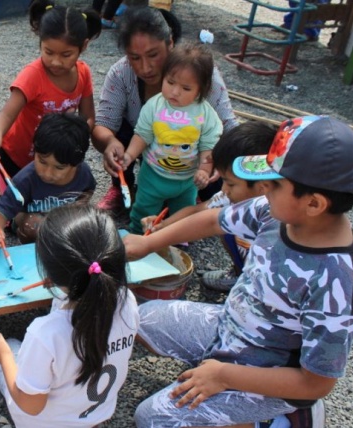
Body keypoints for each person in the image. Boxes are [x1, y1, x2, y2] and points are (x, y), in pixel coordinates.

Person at [124, 116, 353, 428]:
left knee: (152, 418)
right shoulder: (279, 212)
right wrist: (149, 244)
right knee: (137, 317)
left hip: (267, 374)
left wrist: (222, 375)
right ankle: (214, 378)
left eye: (274, 183)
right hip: (231, 326)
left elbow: (316, 383)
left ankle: (275, 419)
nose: (263, 189)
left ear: (313, 203)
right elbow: (214, 220)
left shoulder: (336, 280)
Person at [0, 204, 139, 427]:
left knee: (10, 345)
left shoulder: (44, 334)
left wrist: (3, 356)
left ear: (48, 274)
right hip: (97, 413)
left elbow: (30, 405)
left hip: (46, 423)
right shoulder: (127, 300)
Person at [93, 6, 238, 215]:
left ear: (170, 43)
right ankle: (122, 186)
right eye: (135, 57)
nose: (145, 67)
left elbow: (229, 127)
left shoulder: (202, 73)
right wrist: (110, 142)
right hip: (146, 151)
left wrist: (214, 161)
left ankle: (187, 195)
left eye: (153, 55)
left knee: (217, 196)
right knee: (123, 134)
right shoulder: (121, 73)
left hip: (192, 156)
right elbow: (103, 125)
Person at [140, 120, 277, 291]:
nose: (224, 189)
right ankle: (238, 273)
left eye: (231, 184)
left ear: (262, 186)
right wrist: (163, 225)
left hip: (267, 281)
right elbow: (196, 211)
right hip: (248, 257)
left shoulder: (277, 217)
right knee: (225, 226)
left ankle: (248, 284)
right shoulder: (231, 198)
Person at [0, 0, 101, 181]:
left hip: (55, 159)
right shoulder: (33, 75)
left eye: (66, 55)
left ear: (83, 46)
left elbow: (88, 117)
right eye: (49, 52)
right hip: (16, 156)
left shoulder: (83, 73)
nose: (56, 62)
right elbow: (6, 114)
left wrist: (76, 135)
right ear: (40, 43)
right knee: (15, 201)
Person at [120, 42, 222, 234]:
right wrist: (129, 155)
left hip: (187, 179)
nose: (175, 92)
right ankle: (138, 234)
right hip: (153, 173)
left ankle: (174, 240)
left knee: (183, 212)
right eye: (170, 82)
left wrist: (204, 170)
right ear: (163, 77)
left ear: (201, 89)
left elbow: (208, 147)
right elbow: (143, 134)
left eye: (186, 88)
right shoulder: (154, 106)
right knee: (144, 208)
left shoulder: (205, 114)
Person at [0, 112, 96, 244]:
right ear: (35, 151)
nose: (47, 173)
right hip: (27, 218)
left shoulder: (83, 173)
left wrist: (79, 206)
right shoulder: (25, 179)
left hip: (59, 220)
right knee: (32, 224)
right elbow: (2, 210)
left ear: (76, 164)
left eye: (59, 168)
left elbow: (89, 189)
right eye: (42, 162)